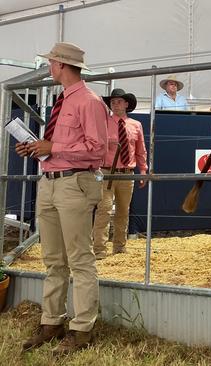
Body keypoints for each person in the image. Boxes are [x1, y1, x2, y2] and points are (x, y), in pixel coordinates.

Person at [15, 42, 108, 354]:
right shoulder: (63, 100)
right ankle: (52, 321)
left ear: (62, 65)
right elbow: (64, 144)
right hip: (51, 182)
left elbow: (97, 150)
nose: (49, 67)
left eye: (51, 62)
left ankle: (82, 330)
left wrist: (52, 148)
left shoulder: (89, 101)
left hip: (73, 184)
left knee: (79, 259)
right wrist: (38, 147)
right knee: (53, 259)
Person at [93, 88, 148, 259]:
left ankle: (119, 247)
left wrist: (144, 170)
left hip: (127, 173)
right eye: (112, 102)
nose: (115, 104)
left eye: (119, 101)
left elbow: (140, 151)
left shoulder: (136, 125)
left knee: (123, 211)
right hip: (106, 172)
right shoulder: (103, 123)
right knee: (104, 209)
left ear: (126, 104)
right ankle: (99, 250)